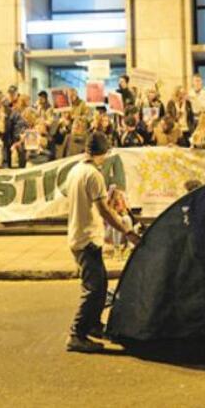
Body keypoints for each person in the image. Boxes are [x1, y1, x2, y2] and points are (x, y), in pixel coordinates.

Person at [65, 132, 141, 353]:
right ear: (104, 153)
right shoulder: (93, 175)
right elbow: (104, 211)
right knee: (94, 289)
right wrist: (126, 231)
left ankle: (95, 326)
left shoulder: (75, 171)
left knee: (100, 287)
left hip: (79, 235)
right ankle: (76, 334)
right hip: (87, 238)